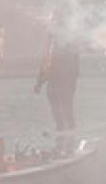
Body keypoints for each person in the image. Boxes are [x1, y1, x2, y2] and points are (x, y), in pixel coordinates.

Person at [35, 15, 81, 150]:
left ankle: (70, 141)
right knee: (56, 107)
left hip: (65, 79)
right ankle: (61, 138)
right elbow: (46, 63)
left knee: (66, 107)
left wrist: (71, 80)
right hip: (53, 80)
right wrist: (39, 82)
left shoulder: (68, 41)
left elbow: (73, 64)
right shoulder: (51, 43)